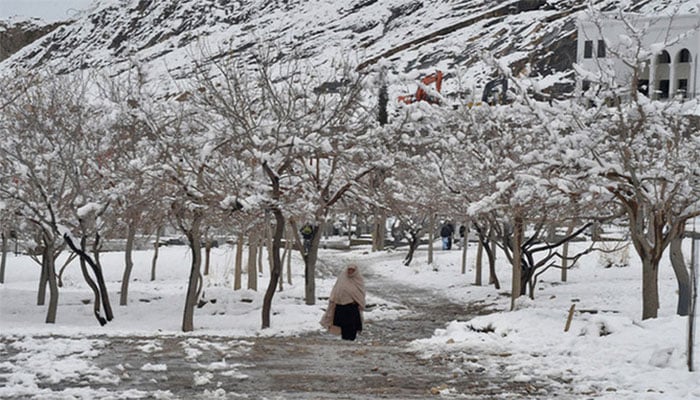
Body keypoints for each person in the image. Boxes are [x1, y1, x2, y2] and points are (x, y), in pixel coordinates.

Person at [320, 264, 366, 341]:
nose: (350, 271)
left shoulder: (358, 279)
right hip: (341, 305)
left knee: (352, 324)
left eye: (352, 270)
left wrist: (358, 301)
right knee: (342, 324)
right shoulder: (342, 278)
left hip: (352, 306)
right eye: (349, 269)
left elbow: (360, 292)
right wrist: (334, 299)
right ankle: (344, 338)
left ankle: (351, 338)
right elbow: (337, 288)